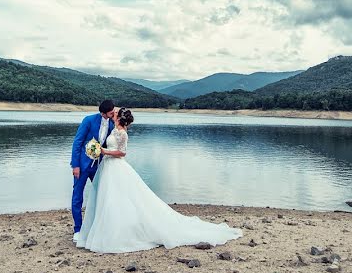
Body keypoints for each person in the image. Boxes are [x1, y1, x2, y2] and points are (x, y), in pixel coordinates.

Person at [74, 107, 241, 253]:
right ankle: (105, 229)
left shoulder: (122, 133)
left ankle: (119, 233)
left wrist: (103, 151)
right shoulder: (113, 127)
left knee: (118, 198)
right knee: (108, 199)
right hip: (107, 168)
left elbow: (122, 153)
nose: (114, 113)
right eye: (113, 112)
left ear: (119, 118)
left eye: (116, 113)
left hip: (116, 167)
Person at [70, 100, 116, 233]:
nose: (113, 113)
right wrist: (75, 165)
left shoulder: (113, 124)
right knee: (77, 196)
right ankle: (78, 229)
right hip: (82, 166)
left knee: (100, 194)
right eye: (111, 112)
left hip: (99, 167)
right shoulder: (88, 120)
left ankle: (97, 226)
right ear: (103, 113)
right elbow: (77, 143)